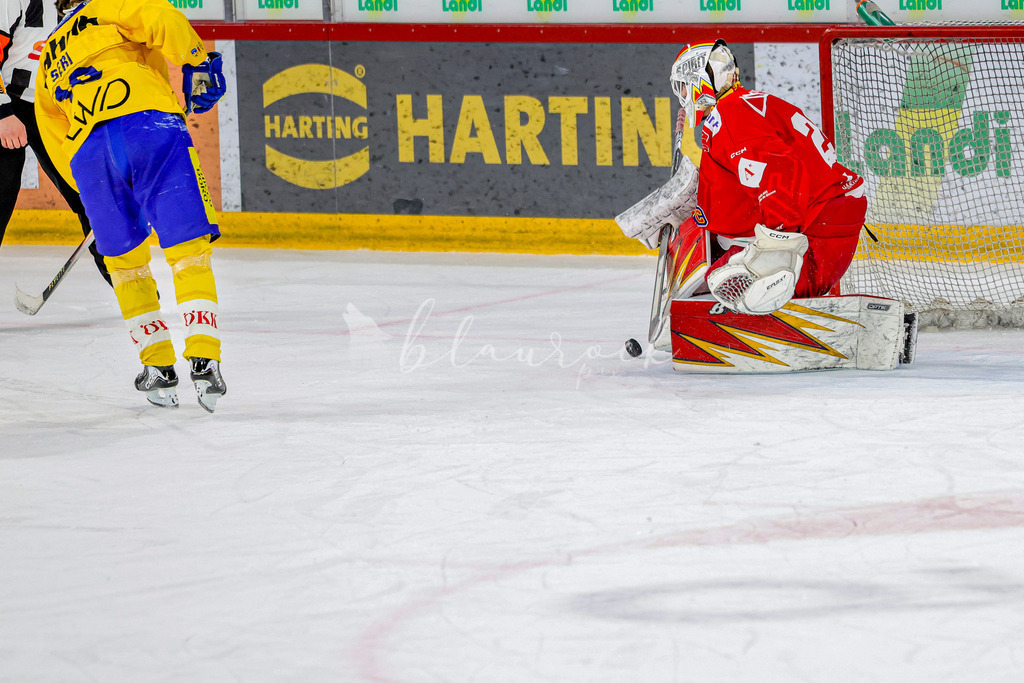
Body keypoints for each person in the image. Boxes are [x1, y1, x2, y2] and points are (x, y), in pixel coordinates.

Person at [35, 0, 228, 411]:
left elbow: (52, 134)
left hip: (89, 156)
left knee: (125, 265)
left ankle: (157, 367)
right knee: (188, 249)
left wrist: (90, 189)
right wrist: (197, 61)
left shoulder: (47, 53)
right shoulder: (108, 5)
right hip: (150, 125)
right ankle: (204, 358)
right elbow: (164, 18)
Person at [666, 39, 866, 315]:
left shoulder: (730, 115)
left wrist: (777, 243)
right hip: (824, 215)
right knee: (715, 268)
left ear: (703, 79)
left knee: (722, 280)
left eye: (686, 85)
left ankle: (769, 298)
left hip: (817, 224)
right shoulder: (740, 105)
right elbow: (756, 173)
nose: (684, 95)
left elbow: (779, 172)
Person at [0, 0, 109, 284]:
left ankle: (136, 295)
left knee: (95, 200)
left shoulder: (93, 6)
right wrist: (2, 113)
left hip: (61, 112)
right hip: (11, 104)